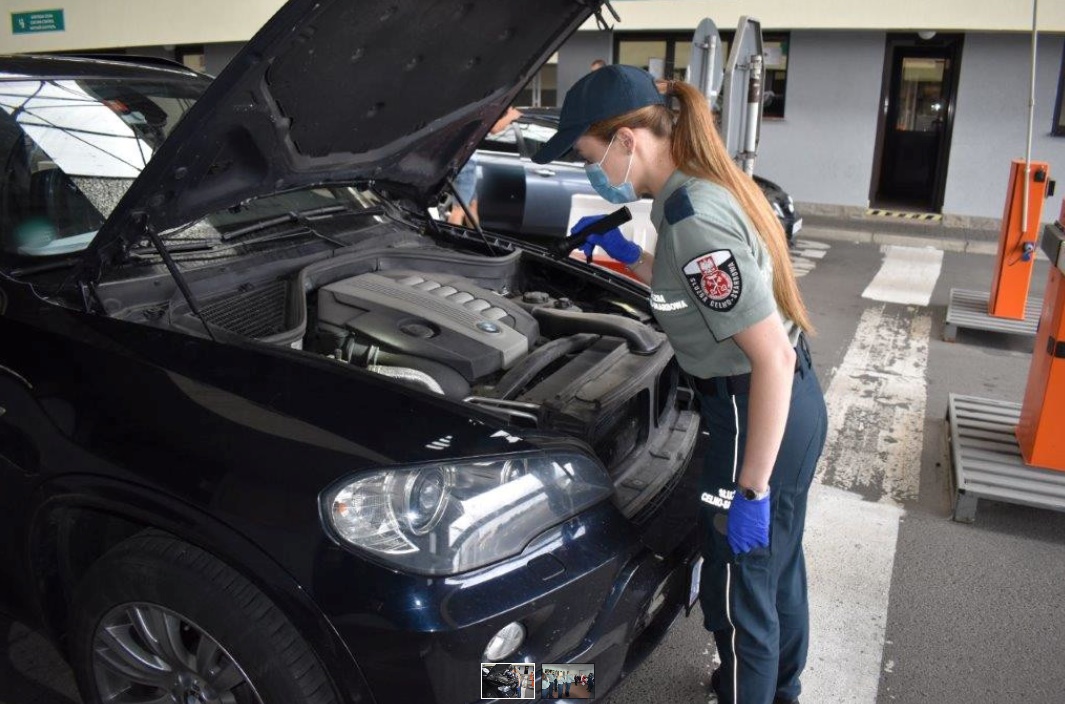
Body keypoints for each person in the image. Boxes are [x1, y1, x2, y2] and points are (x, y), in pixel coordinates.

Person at [532, 65, 827, 704]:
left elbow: (768, 356)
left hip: (757, 405)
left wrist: (750, 489)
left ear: (625, 142)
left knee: (739, 586)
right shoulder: (688, 196)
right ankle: (780, 690)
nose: (589, 171)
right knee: (777, 570)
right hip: (780, 402)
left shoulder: (692, 217)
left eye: (586, 155)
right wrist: (624, 254)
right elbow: (693, 294)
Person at [446, 106, 523, 227]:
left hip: (462, 161)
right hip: (466, 162)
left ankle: (474, 238)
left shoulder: (465, 109)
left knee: (471, 206)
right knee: (459, 209)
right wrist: (511, 116)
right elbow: (494, 128)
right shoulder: (478, 110)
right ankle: (450, 240)